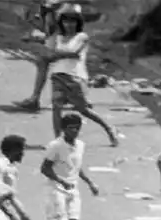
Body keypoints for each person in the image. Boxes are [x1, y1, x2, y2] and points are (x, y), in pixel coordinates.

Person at [41, 5, 118, 146]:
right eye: (66, 22)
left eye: (72, 22)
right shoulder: (58, 37)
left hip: (75, 77)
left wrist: (56, 55)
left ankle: (108, 128)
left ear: (78, 23)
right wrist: (57, 55)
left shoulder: (82, 37)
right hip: (57, 75)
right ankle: (58, 140)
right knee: (56, 108)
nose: (69, 25)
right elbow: (48, 55)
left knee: (83, 109)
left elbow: (74, 53)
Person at [41, 113, 100, 220]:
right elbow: (45, 168)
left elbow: (77, 167)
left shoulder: (80, 145)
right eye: (71, 128)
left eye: (77, 128)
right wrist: (61, 181)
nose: (74, 131)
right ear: (63, 129)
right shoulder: (56, 146)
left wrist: (90, 183)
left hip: (73, 188)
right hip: (56, 188)